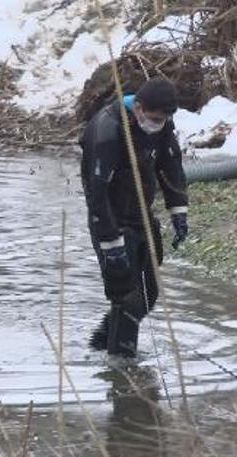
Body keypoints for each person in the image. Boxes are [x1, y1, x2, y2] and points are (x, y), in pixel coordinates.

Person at [80, 77, 189, 358]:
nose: (158, 124)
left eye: (163, 119)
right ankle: (122, 370)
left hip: (142, 215)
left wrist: (178, 210)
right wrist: (110, 243)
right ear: (138, 108)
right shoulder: (107, 129)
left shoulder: (161, 126)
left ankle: (100, 344)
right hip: (110, 219)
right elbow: (97, 193)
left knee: (148, 296)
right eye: (154, 118)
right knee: (127, 297)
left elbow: (170, 165)